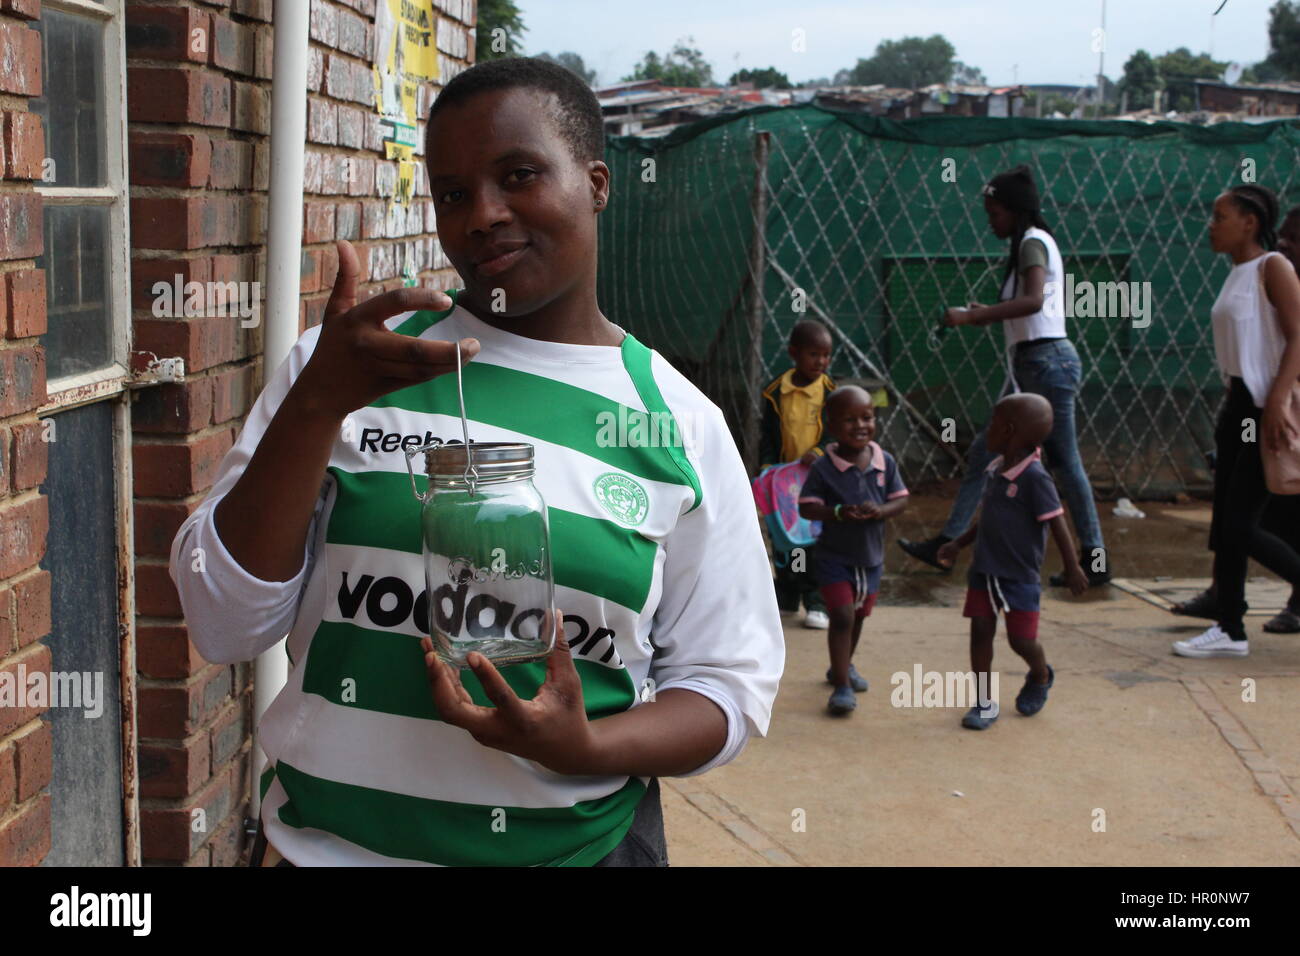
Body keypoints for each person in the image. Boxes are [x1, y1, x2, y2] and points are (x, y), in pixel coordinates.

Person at [168, 57, 785, 866]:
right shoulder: (351, 369)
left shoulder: (680, 428)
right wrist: (315, 406)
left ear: (596, 183)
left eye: (519, 175)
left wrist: (586, 749)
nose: (485, 215)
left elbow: (725, 686)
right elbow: (224, 622)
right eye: (455, 193)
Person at [899, 164, 1110, 589]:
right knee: (985, 453)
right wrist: (985, 313)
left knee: (1065, 462)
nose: (991, 222)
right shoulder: (1031, 244)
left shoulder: (1032, 242)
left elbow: (1033, 302)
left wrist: (974, 316)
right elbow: (1030, 302)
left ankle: (1095, 558)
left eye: (995, 213)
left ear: (1015, 211)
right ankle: (948, 543)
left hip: (1045, 363)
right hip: (1033, 362)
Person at [1172, 184, 1300, 659]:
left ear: (1249, 222)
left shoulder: (1274, 267)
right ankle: (1229, 627)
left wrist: (1277, 402)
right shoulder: (1236, 273)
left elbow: (1297, 335)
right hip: (1236, 406)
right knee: (1226, 522)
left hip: (1262, 408)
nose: (1211, 224)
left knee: (1240, 525)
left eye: (1220, 215)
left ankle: (1232, 624)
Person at [937, 393, 1088, 730]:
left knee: (1021, 641)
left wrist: (1073, 565)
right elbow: (988, 518)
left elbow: (1057, 522)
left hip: (1019, 576)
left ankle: (1040, 673)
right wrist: (958, 544)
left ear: (1008, 430)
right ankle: (984, 702)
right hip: (984, 570)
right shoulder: (995, 469)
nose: (987, 429)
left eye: (992, 422)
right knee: (980, 633)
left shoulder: (1035, 478)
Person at [797, 387, 909, 715]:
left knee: (858, 616)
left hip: (870, 560)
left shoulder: (883, 461)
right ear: (830, 424)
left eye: (867, 417)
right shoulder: (823, 467)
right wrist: (837, 512)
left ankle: (842, 666)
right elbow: (807, 507)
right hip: (834, 558)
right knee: (843, 616)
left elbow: (901, 499)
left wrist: (881, 510)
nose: (860, 425)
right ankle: (842, 686)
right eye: (850, 419)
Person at [758, 319, 836, 629]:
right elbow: (768, 436)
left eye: (826, 355)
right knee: (784, 538)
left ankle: (816, 601)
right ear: (794, 353)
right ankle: (788, 596)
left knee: (814, 539)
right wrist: (766, 468)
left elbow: (834, 431)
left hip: (817, 481)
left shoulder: (830, 391)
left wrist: (818, 452)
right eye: (813, 354)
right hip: (784, 485)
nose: (821, 362)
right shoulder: (775, 392)